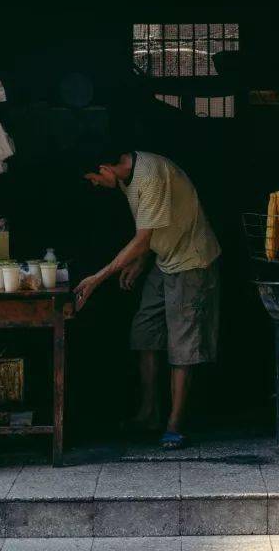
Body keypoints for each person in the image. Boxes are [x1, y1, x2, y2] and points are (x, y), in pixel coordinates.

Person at [75, 146, 221, 450]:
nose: (95, 186)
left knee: (182, 345)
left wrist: (97, 279)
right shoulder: (128, 178)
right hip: (165, 259)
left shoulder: (150, 175)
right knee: (144, 331)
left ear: (106, 168)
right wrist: (140, 262)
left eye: (93, 179)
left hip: (190, 262)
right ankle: (149, 413)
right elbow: (152, 230)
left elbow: (142, 240)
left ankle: (174, 425)